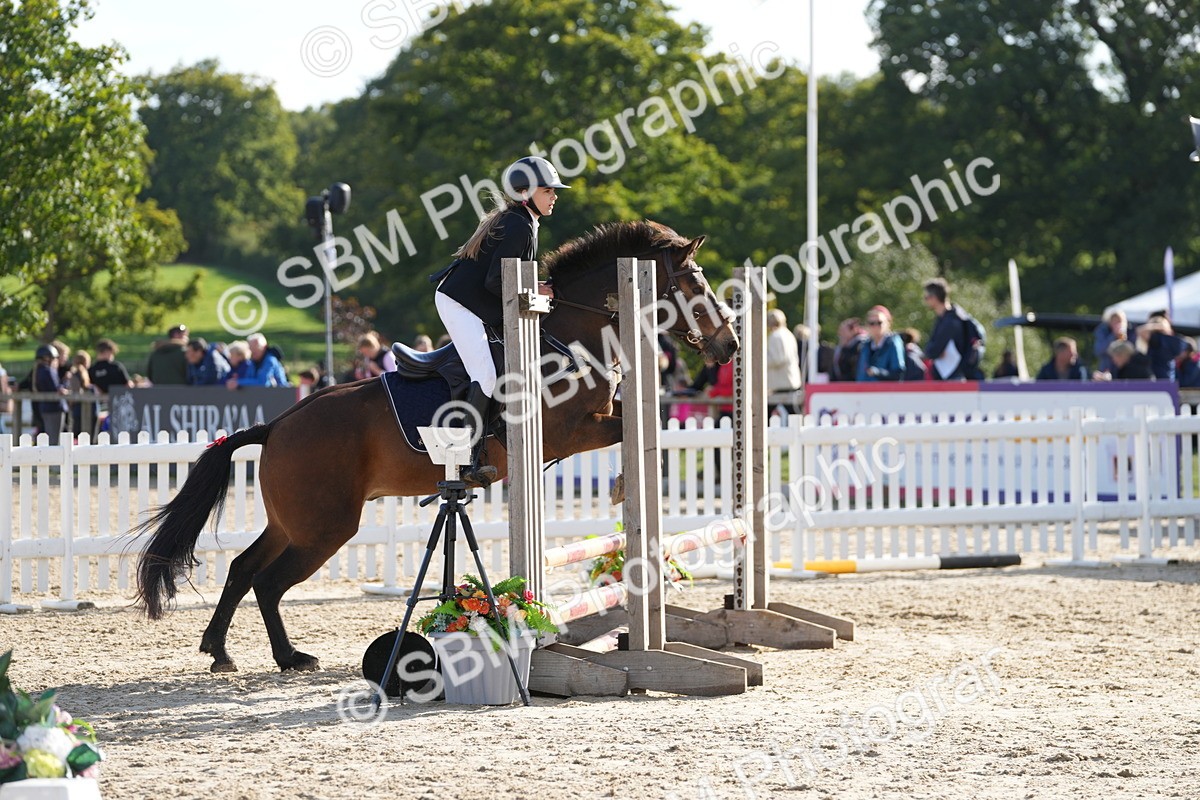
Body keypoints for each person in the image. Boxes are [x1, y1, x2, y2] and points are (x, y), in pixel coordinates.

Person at [432, 155, 566, 485]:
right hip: (459, 303)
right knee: (486, 375)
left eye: (553, 191)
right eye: (547, 190)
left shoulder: (522, 221)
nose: (554, 196)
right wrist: (535, 291)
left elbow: (506, 278)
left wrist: (537, 287)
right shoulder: (519, 225)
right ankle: (465, 459)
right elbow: (497, 280)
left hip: (475, 302)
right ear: (526, 192)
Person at [923, 278, 983, 380]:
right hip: (950, 374)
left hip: (954, 375)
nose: (925, 300)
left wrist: (930, 352)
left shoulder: (951, 321)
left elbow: (934, 350)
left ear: (934, 297)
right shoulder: (949, 317)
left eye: (926, 297)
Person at [856, 306, 906, 382]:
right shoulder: (865, 346)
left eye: (879, 323)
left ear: (888, 323)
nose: (875, 327)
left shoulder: (893, 342)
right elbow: (860, 375)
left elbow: (898, 373)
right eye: (872, 323)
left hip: (887, 389)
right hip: (867, 389)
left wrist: (878, 372)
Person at [33, 344, 67, 445]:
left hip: (45, 407)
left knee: (50, 436)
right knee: (55, 438)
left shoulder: (37, 371)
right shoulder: (48, 370)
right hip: (55, 407)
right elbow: (56, 388)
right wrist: (65, 381)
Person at [1135, 314, 1185, 382]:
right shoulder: (1175, 340)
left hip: (1157, 378)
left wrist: (1156, 326)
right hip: (1169, 378)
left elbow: (1140, 330)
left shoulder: (1158, 339)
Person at [766, 309, 801, 394]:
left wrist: (760, 360)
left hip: (781, 383)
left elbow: (777, 360)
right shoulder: (788, 334)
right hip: (791, 380)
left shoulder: (775, 336)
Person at [66, 351, 99, 437]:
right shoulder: (80, 374)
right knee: (89, 436)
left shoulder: (73, 374)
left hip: (77, 410)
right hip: (88, 409)